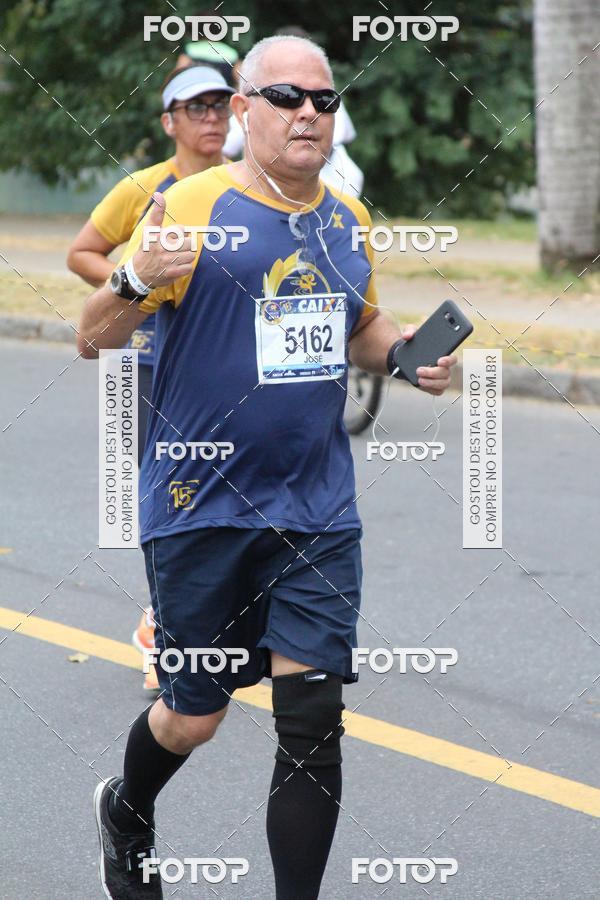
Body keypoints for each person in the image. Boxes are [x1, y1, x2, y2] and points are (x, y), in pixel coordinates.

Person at [78, 34, 457, 900]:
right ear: (243, 109)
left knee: (313, 718)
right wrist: (134, 276)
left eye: (324, 101)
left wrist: (404, 354)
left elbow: (357, 325)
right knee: (194, 715)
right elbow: (93, 337)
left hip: (316, 507)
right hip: (199, 501)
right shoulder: (188, 205)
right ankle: (127, 809)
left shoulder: (345, 219)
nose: (309, 115)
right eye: (287, 98)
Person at [68, 64, 234, 691]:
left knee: (230, 485)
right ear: (170, 123)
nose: (211, 118)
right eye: (197, 108)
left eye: (221, 106)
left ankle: (223, 623)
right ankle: (160, 625)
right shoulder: (145, 188)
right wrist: (135, 289)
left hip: (214, 367)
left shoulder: (242, 187)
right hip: (144, 363)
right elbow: (82, 251)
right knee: (170, 490)